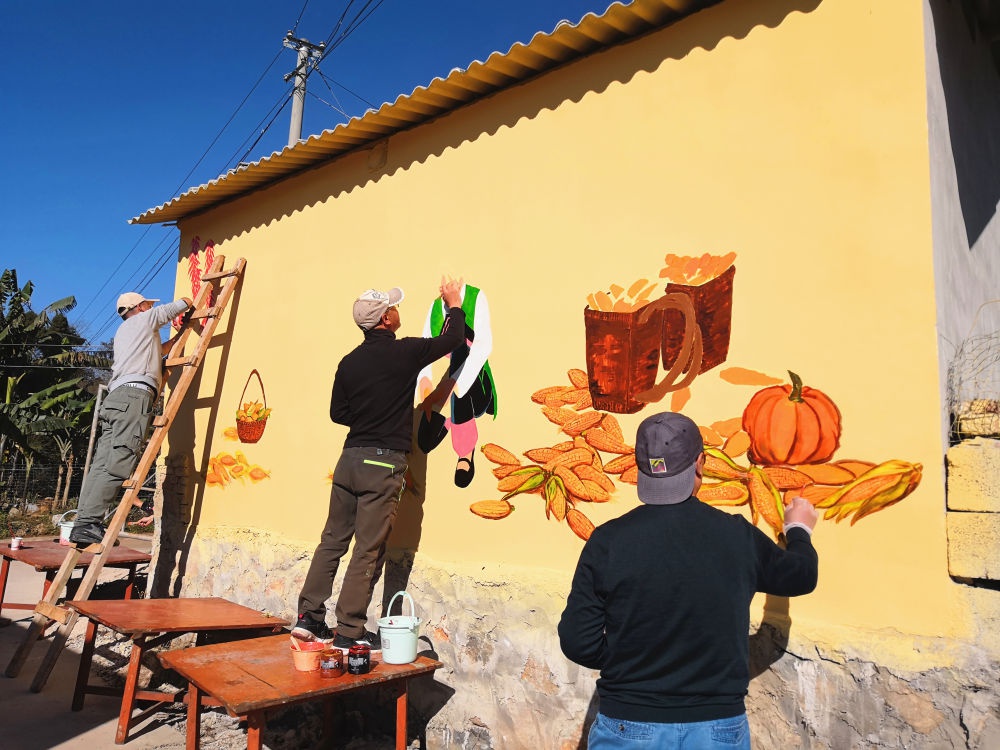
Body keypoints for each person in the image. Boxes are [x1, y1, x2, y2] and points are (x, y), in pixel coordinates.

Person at [558, 411, 819, 750]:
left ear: (640, 467)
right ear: (700, 463)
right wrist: (799, 530)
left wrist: (630, 661)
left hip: (629, 722)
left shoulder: (608, 541)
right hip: (715, 727)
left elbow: (578, 641)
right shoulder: (736, 537)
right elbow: (801, 576)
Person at [292, 279, 466, 649]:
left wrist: (369, 412)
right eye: (394, 307)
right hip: (382, 463)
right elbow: (451, 341)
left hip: (349, 460)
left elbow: (339, 413)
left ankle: (308, 617)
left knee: (332, 541)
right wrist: (454, 305)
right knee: (367, 549)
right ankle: (349, 631)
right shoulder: (403, 353)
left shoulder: (349, 362)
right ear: (386, 319)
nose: (398, 310)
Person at [69, 292, 193, 546]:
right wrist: (186, 305)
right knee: (121, 460)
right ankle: (90, 523)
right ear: (139, 307)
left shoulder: (127, 334)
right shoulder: (141, 320)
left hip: (116, 399)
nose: (150, 308)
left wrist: (182, 335)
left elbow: (161, 352)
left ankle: (84, 523)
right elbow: (168, 311)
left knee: (102, 463)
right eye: (147, 305)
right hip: (133, 398)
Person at [415, 279, 496, 487]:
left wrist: (453, 385)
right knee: (425, 442)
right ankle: (449, 422)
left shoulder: (476, 297)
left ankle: (465, 450)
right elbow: (424, 350)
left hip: (477, 387)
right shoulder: (434, 308)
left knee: (460, 351)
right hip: (448, 391)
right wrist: (426, 389)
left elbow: (483, 347)